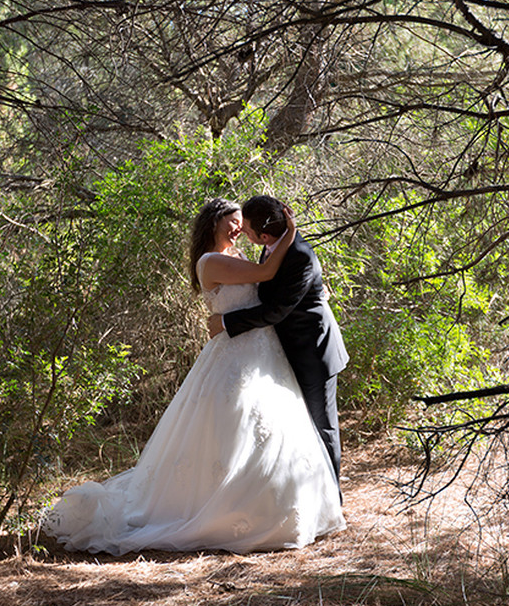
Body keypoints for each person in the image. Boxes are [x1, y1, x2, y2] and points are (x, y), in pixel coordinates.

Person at [42, 198, 345, 554]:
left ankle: (305, 499)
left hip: (272, 352)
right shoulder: (212, 261)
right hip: (240, 353)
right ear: (213, 226)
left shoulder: (250, 255)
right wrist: (291, 235)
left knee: (294, 428)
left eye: (241, 222)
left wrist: (311, 279)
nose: (238, 229)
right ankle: (233, 507)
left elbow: (274, 291)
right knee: (234, 430)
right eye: (232, 223)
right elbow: (266, 278)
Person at [207, 195, 349, 495]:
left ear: (265, 236)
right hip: (282, 351)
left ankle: (332, 499)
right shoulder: (272, 246)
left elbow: (275, 310)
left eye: (246, 229)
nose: (242, 232)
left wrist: (226, 323)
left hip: (312, 351)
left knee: (322, 426)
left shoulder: (299, 255)